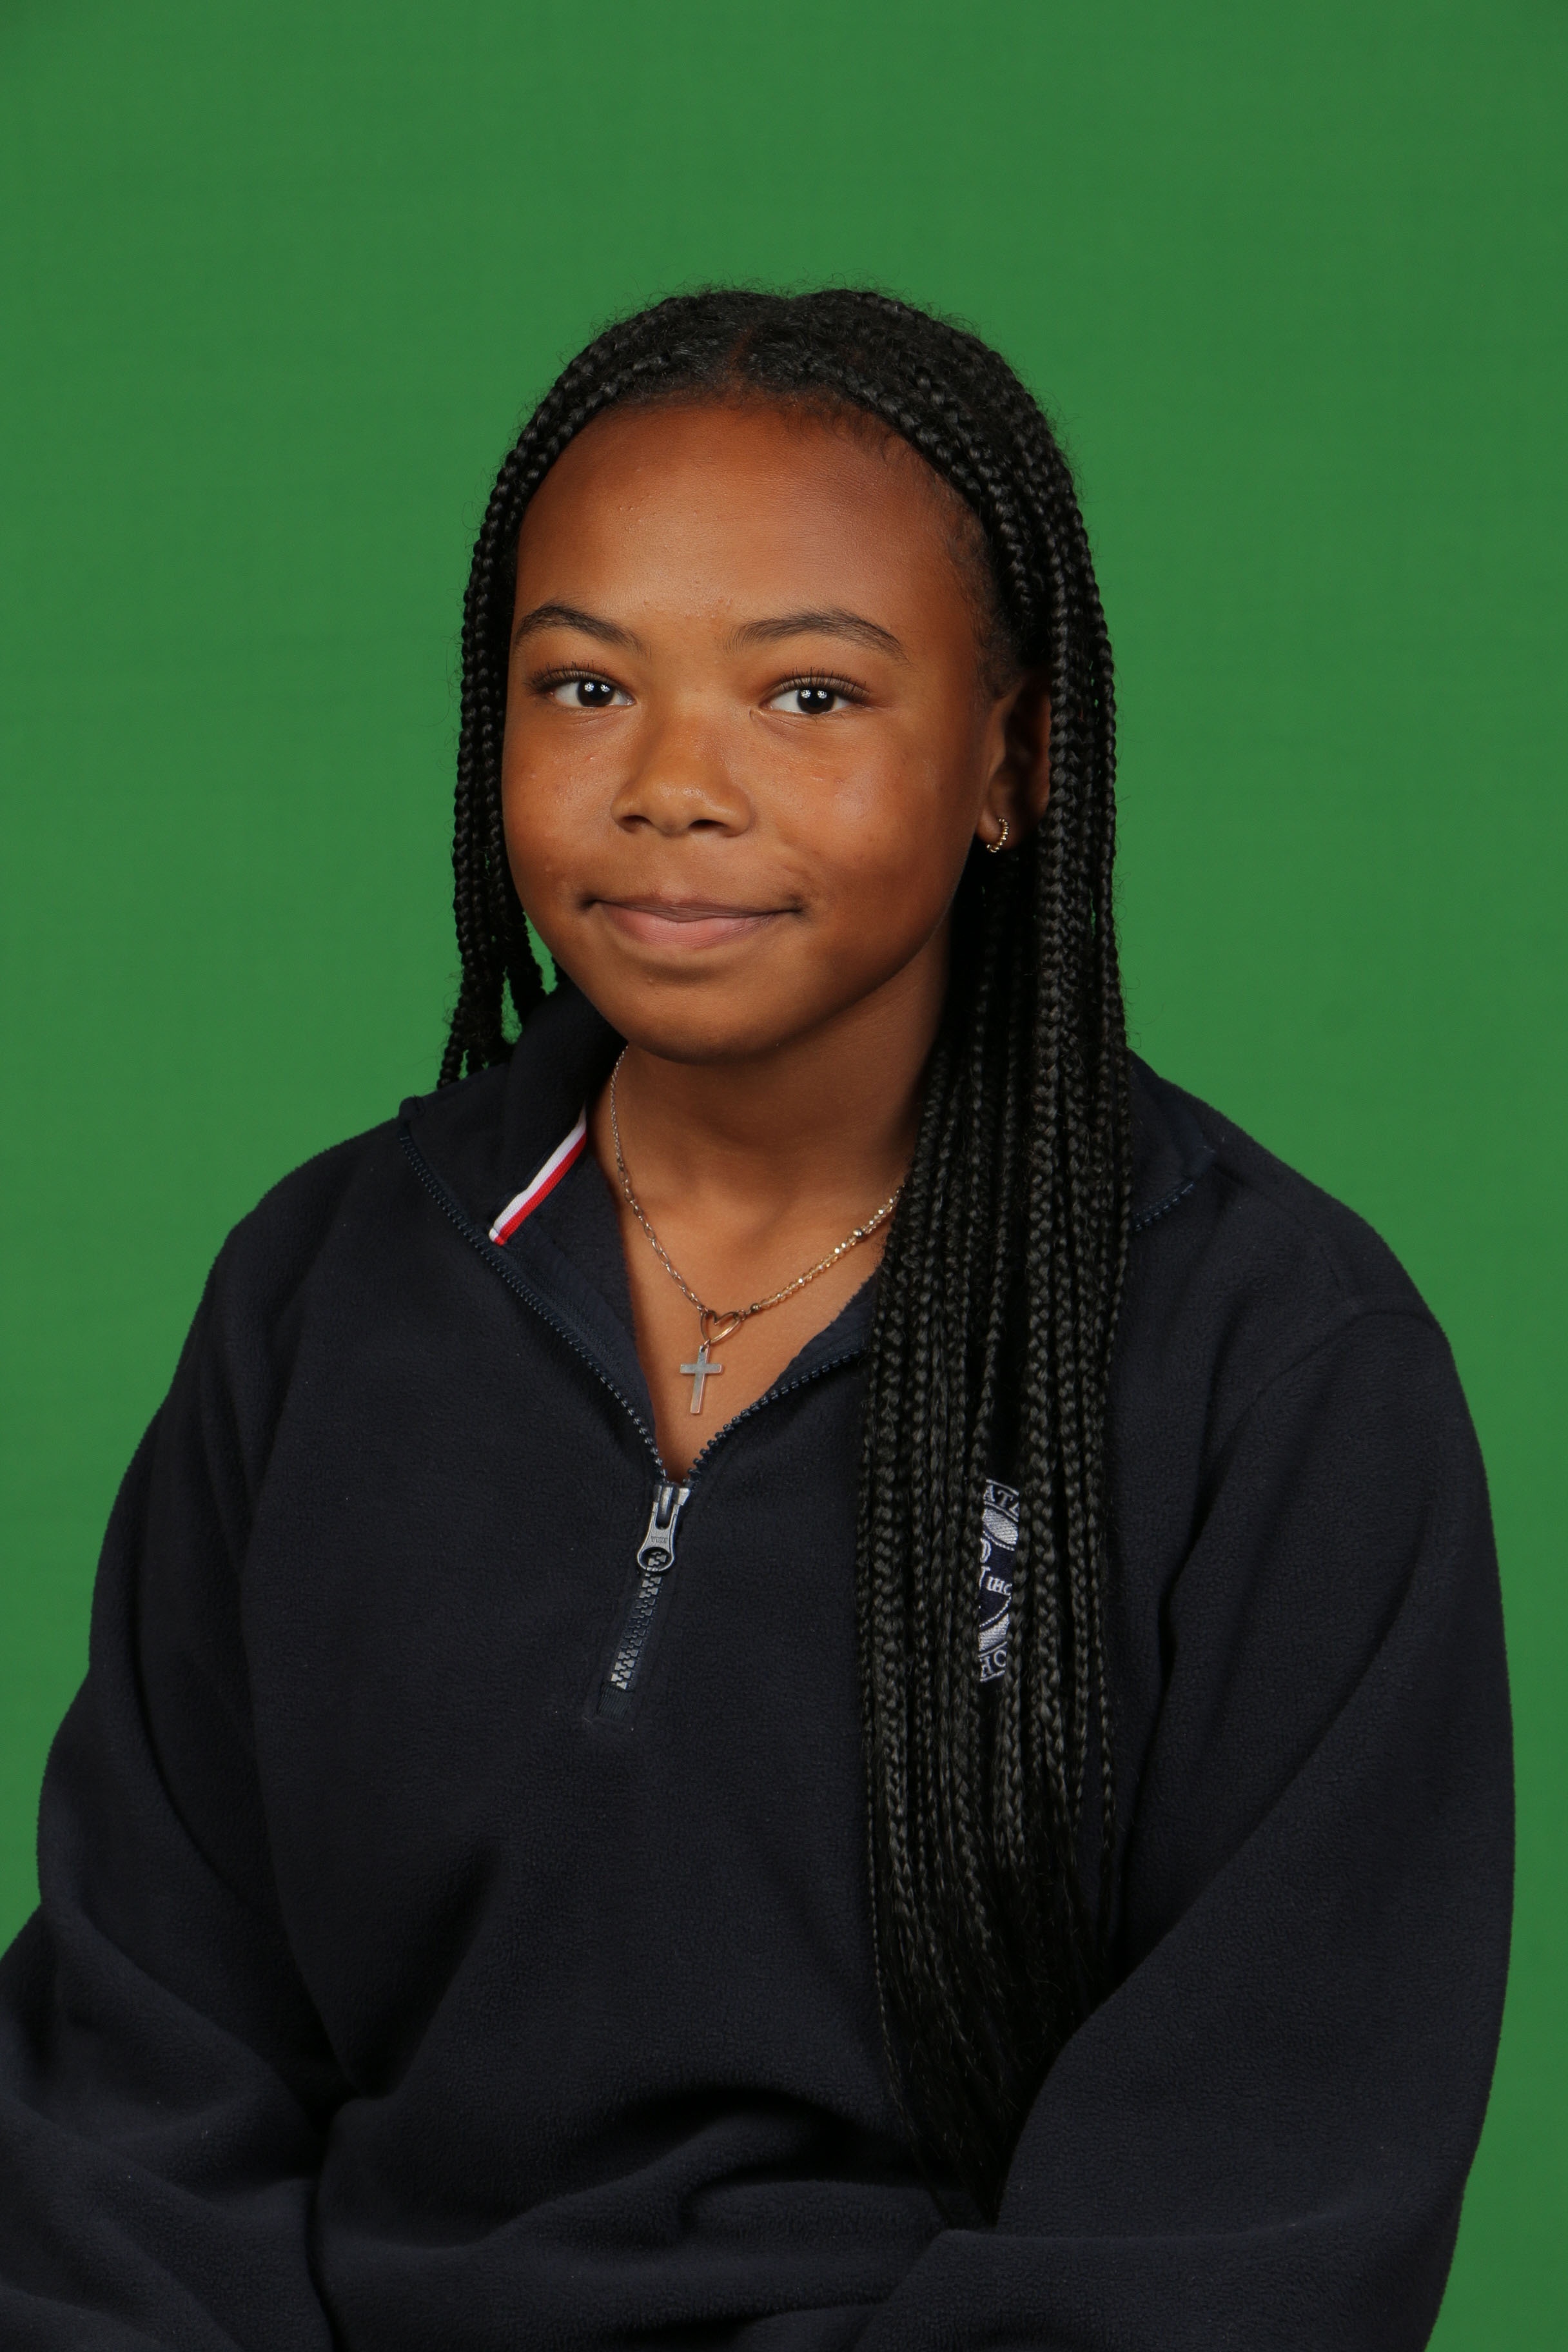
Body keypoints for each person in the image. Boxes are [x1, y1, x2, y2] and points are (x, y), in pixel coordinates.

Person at [0, 289, 1511, 2351]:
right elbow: (136, 2080)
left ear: (1013, 760)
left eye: (809, 695)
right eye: (585, 684)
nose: (673, 785)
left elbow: (1253, 2202)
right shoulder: (327, 1289)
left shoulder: (1276, 1370)